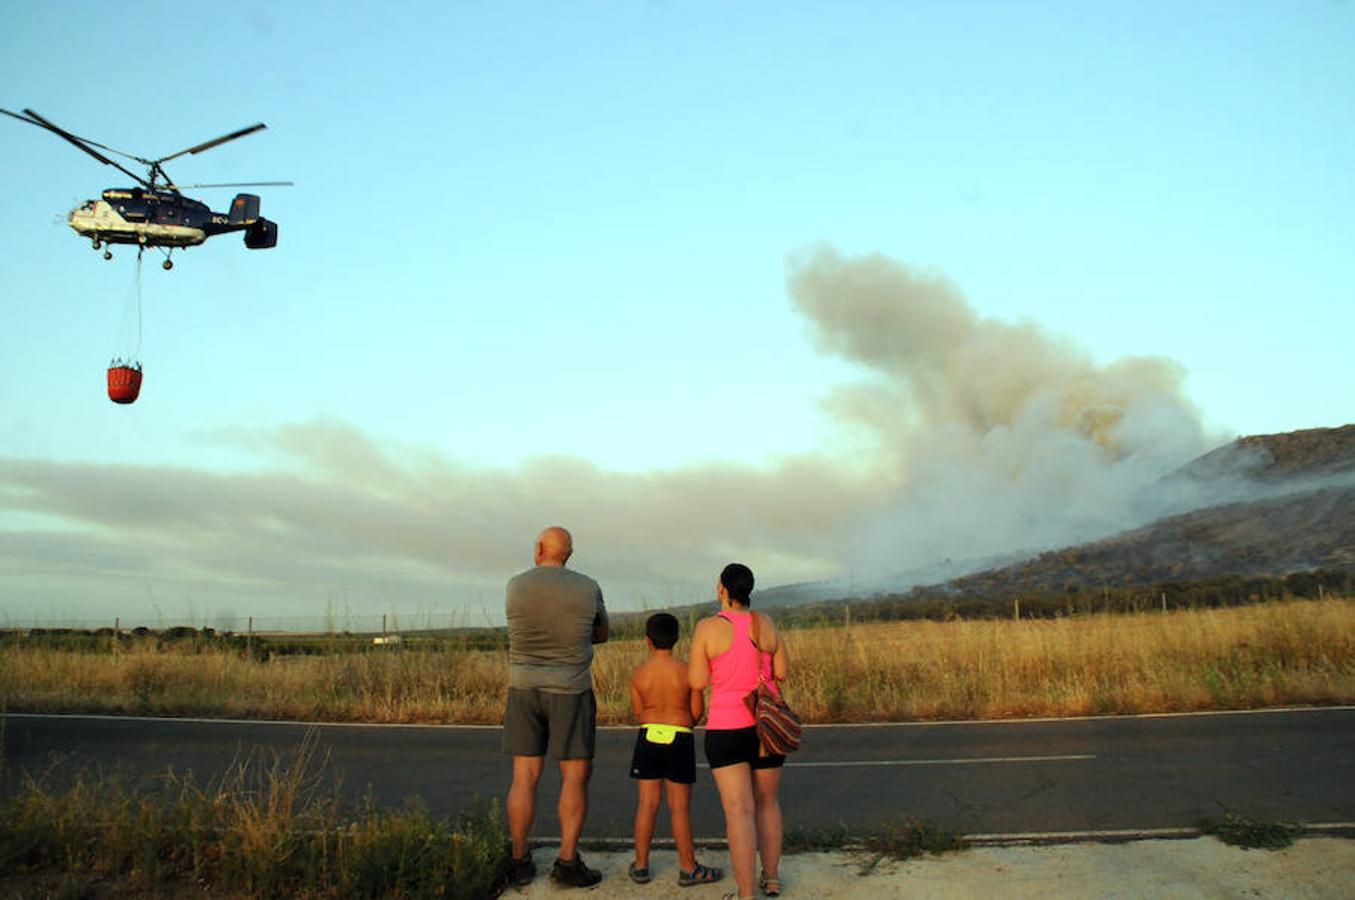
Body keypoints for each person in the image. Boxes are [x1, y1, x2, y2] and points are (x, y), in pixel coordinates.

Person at [502, 526, 609, 888]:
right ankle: (566, 861)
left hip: (523, 688)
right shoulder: (588, 587)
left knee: (524, 776)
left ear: (538, 550)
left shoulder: (515, 585)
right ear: (569, 554)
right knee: (575, 776)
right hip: (571, 690)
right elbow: (601, 633)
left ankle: (518, 859)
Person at [689, 563, 788, 900]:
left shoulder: (707, 628)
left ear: (722, 590)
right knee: (768, 804)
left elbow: (699, 682)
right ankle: (772, 879)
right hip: (767, 727)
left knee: (739, 811)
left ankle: (746, 893)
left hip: (728, 726)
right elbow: (783, 671)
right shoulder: (767, 623)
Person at [628, 613, 724, 887]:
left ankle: (641, 865)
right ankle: (688, 867)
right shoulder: (687, 671)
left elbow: (638, 712)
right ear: (677, 638)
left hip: (648, 737)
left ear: (648, 640)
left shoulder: (639, 673)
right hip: (680, 736)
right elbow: (696, 713)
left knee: (647, 803)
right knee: (679, 807)